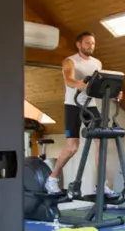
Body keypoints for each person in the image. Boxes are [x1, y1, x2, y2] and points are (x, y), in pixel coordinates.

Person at [45, 31, 120, 196]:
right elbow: (69, 80)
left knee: (102, 142)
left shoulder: (98, 63)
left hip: (90, 105)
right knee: (72, 147)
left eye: (93, 43)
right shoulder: (70, 61)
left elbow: (100, 88)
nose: (90, 46)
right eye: (87, 43)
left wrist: (113, 94)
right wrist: (85, 86)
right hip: (73, 105)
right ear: (79, 44)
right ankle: (51, 179)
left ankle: (100, 185)